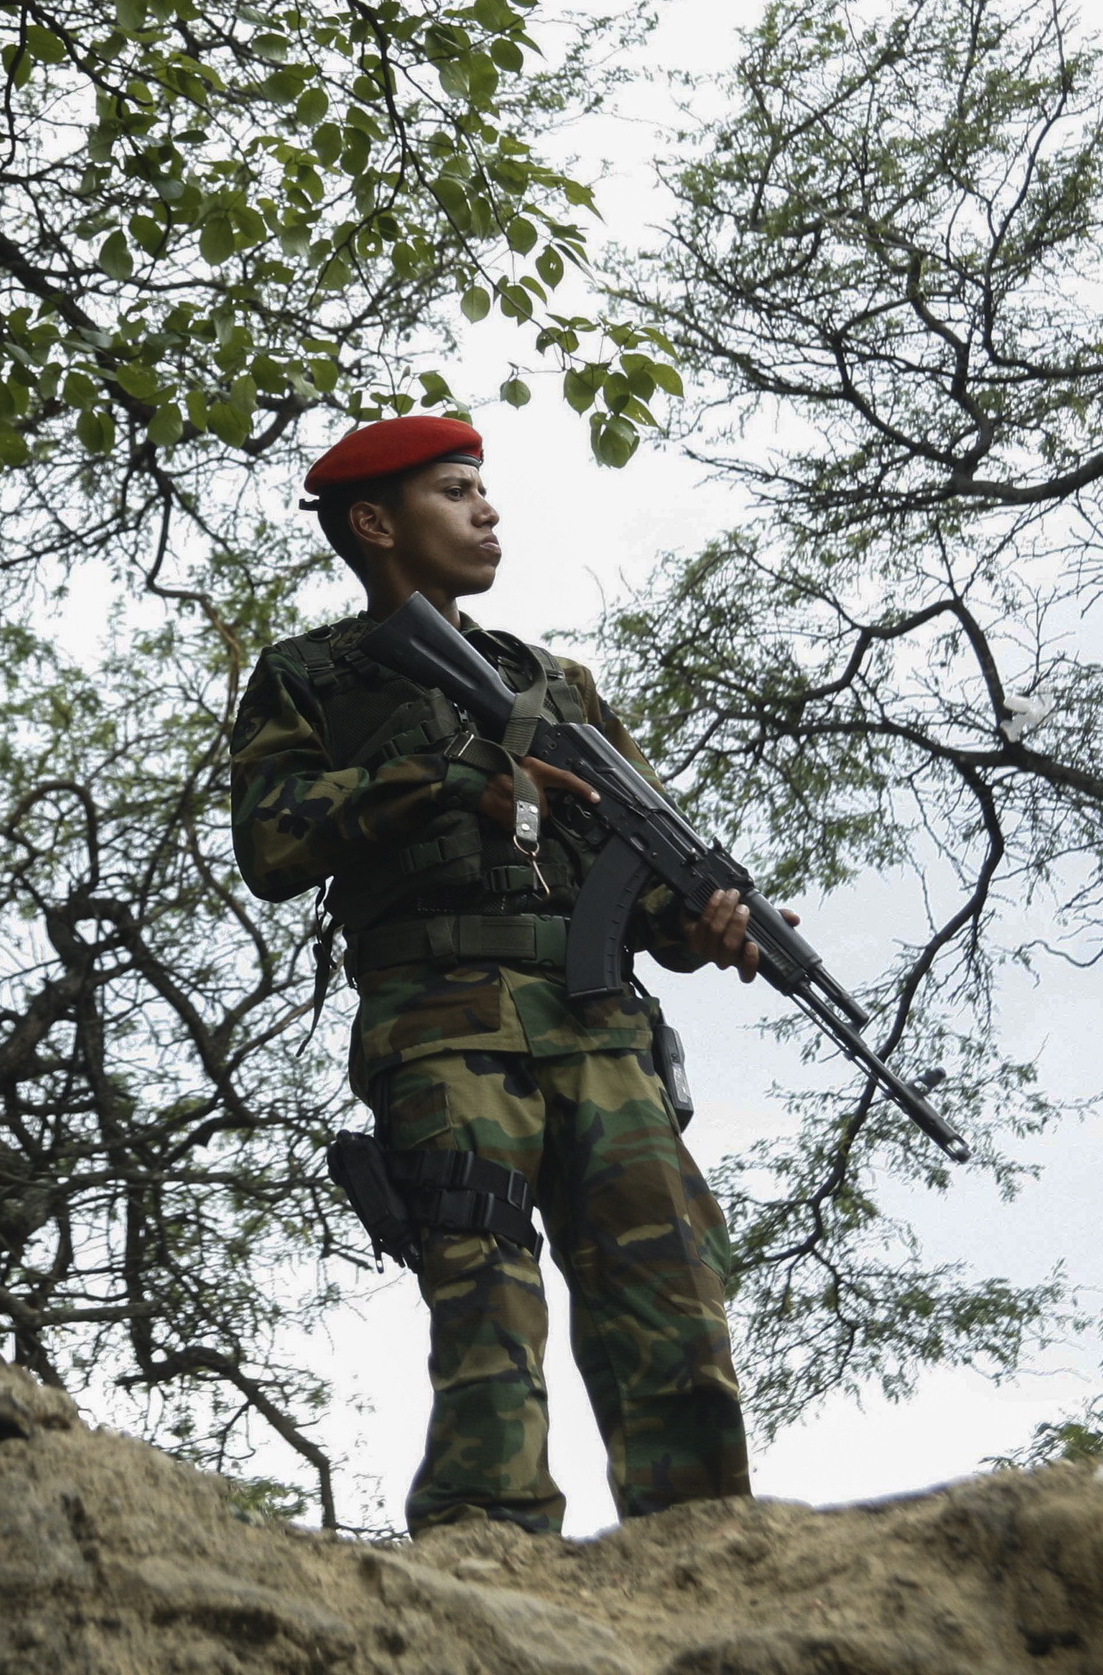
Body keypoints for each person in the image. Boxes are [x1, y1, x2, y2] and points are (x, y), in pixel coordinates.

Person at [228, 413, 766, 1534]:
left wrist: (704, 917)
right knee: (485, 1300)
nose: (488, 510)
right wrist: (446, 776)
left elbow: (643, 867)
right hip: (442, 1021)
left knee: (672, 1304)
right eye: (456, 490)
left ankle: (708, 1548)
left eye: (485, 488)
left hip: (600, 1022)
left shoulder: (553, 681)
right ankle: (488, 1567)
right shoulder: (313, 675)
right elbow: (274, 843)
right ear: (375, 523)